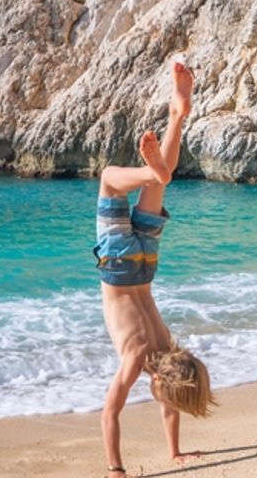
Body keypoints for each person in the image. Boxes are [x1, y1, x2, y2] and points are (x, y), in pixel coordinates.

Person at [94, 60, 215, 476]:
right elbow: (110, 412)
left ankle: (177, 116)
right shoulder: (140, 359)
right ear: (161, 381)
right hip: (118, 268)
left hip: (145, 268)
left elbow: (172, 399)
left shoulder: (167, 345)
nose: (165, 401)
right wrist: (116, 470)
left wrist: (177, 454)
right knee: (109, 178)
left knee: (158, 184)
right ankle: (151, 167)